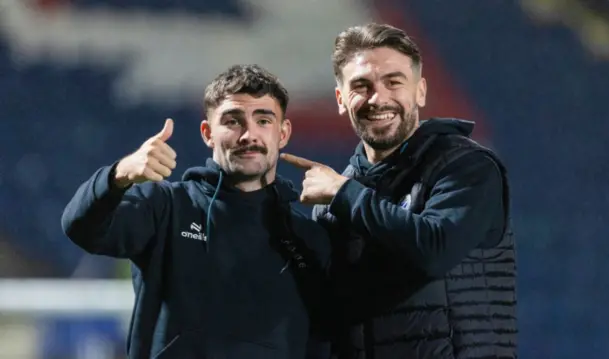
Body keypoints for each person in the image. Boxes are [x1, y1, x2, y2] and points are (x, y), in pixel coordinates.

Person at [61, 64, 331, 359]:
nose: (248, 134)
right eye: (233, 120)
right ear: (207, 133)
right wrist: (119, 174)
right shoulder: (165, 206)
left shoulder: (309, 239)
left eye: (263, 120)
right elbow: (81, 226)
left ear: (283, 133)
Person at [280, 23, 517, 359]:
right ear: (340, 99)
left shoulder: (467, 167)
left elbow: (436, 250)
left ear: (420, 91)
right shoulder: (336, 197)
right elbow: (329, 318)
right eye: (361, 85)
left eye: (394, 82)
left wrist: (345, 194)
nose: (378, 98)